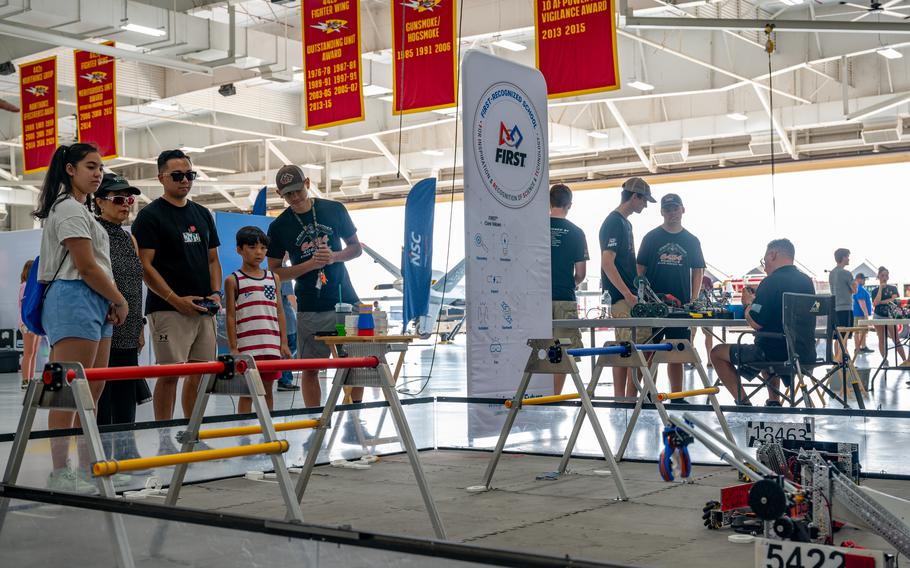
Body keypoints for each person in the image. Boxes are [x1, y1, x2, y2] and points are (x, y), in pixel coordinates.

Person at [34, 143, 128, 492]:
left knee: (92, 391)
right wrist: (118, 298)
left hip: (96, 300)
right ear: (70, 169)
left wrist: (110, 300)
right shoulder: (69, 209)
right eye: (90, 166)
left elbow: (95, 266)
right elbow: (86, 266)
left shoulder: (82, 210)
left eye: (100, 167)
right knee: (69, 392)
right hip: (74, 296)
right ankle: (62, 472)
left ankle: (90, 464)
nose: (98, 172)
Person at [132, 149, 222, 454]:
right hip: (168, 309)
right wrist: (173, 298)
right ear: (161, 178)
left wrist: (216, 293)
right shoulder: (150, 216)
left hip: (203, 310)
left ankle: (191, 433)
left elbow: (212, 259)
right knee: (169, 375)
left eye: (189, 175)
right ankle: (163, 440)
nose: (185, 180)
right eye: (177, 175)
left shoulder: (202, 214)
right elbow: (145, 266)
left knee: (199, 375)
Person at [266, 165, 362, 407]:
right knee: (310, 368)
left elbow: (356, 248)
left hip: (345, 301)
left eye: (298, 190)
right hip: (310, 307)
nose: (295, 197)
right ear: (280, 194)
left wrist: (334, 257)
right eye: (288, 194)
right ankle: (314, 419)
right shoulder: (279, 227)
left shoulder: (334, 209)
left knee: (354, 362)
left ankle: (354, 411)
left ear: (307, 183)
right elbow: (275, 272)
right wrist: (309, 265)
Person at [710, 239, 814, 406]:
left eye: (764, 260)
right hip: (804, 352)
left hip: (773, 354)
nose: (764, 265)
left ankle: (743, 402)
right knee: (767, 340)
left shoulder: (771, 281)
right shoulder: (807, 281)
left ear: (772, 255)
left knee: (716, 352)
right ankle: (774, 401)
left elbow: (756, 323)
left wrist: (748, 304)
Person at [93, 173, 151, 463]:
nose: (126, 204)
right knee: (102, 392)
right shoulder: (92, 232)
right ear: (99, 201)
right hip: (102, 325)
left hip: (128, 327)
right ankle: (102, 455)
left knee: (126, 390)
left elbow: (135, 285)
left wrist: (139, 324)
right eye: (118, 199)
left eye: (129, 199)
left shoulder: (129, 238)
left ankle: (127, 451)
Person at [636, 193, 705, 403]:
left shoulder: (691, 240)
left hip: (680, 307)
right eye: (667, 209)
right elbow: (640, 271)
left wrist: (692, 300)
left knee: (677, 350)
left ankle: (676, 395)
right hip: (653, 306)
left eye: (675, 208)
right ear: (662, 212)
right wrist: (642, 297)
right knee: (650, 351)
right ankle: (648, 393)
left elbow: (698, 271)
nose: (672, 213)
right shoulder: (651, 237)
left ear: (683, 209)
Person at [225, 226, 292, 412]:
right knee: (248, 392)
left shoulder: (273, 278)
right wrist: (233, 347)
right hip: (248, 347)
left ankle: (267, 434)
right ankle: (244, 434)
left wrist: (283, 343)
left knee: (268, 391)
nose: (259, 252)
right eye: (252, 247)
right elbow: (230, 316)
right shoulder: (233, 280)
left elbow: (279, 312)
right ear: (239, 249)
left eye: (263, 248)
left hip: (271, 345)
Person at [600, 177, 654, 398]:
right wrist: (627, 294)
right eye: (644, 200)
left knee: (625, 346)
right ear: (635, 196)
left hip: (627, 296)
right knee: (638, 347)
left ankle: (623, 398)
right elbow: (607, 262)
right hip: (622, 297)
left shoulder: (626, 223)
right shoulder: (614, 222)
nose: (646, 205)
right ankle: (629, 399)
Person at [549, 184, 589, 395]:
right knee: (563, 351)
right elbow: (581, 273)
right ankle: (554, 396)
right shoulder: (576, 232)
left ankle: (536, 395)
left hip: (537, 300)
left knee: (537, 348)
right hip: (565, 297)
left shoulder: (536, 228)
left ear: (549, 202)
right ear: (569, 205)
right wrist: (566, 283)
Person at [871, 266, 907, 363]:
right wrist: (880, 289)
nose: (884, 277)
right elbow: (875, 302)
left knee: (896, 339)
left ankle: (905, 360)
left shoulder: (893, 288)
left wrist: (881, 302)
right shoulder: (875, 291)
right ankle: (884, 361)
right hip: (878, 316)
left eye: (886, 275)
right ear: (878, 276)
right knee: (881, 339)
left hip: (891, 315)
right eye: (882, 275)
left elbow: (894, 300)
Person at [828, 248, 857, 363]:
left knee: (837, 337)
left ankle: (837, 361)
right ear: (843, 257)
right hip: (845, 308)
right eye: (847, 256)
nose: (849, 258)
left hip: (835, 308)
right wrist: (855, 284)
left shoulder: (831, 273)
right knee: (844, 338)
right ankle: (845, 362)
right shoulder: (846, 273)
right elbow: (854, 290)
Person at [18, 259, 39, 389]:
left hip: (33, 321)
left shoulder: (32, 285)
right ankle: (25, 380)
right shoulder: (25, 286)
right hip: (27, 322)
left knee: (34, 353)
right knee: (28, 353)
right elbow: (25, 305)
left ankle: (31, 379)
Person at [277, 274, 300, 391]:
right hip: (288, 320)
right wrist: (299, 314)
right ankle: (285, 380)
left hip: (277, 321)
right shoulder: (283, 272)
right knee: (289, 350)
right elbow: (290, 297)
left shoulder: (265, 270)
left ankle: (284, 378)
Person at [852, 273, 873, 354]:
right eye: (863, 279)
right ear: (858, 279)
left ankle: (863, 347)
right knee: (858, 331)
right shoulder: (859, 288)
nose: (864, 281)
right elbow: (861, 302)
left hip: (860, 313)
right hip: (859, 314)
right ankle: (857, 349)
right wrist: (866, 314)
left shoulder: (859, 288)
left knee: (863, 331)